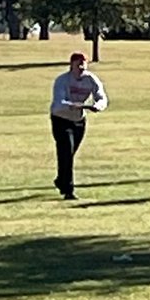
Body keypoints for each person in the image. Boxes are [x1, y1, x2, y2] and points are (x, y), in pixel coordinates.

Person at [50, 51, 108, 199]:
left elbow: (101, 97)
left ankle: (61, 180)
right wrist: (72, 105)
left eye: (83, 64)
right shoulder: (62, 80)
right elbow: (59, 102)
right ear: (71, 65)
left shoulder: (91, 79)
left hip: (79, 121)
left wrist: (97, 106)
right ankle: (68, 190)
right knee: (66, 151)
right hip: (60, 119)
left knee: (69, 154)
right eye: (78, 65)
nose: (81, 67)